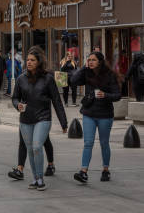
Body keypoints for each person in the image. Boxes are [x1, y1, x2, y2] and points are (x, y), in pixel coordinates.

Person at [12, 46, 68, 190]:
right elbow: (15, 97)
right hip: (25, 120)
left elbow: (56, 101)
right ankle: (35, 178)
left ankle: (41, 179)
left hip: (43, 118)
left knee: (37, 147)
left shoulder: (48, 79)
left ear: (38, 62)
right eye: (27, 60)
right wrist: (17, 104)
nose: (29, 62)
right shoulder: (21, 79)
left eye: (32, 60)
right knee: (30, 149)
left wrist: (63, 122)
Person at [71, 51, 121, 183]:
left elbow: (117, 95)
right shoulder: (87, 73)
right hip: (89, 113)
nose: (90, 62)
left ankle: (105, 170)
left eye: (93, 60)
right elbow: (73, 80)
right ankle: (83, 172)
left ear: (100, 61)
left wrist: (106, 95)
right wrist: (83, 67)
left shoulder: (109, 75)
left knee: (104, 143)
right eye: (89, 60)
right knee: (88, 143)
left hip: (105, 115)